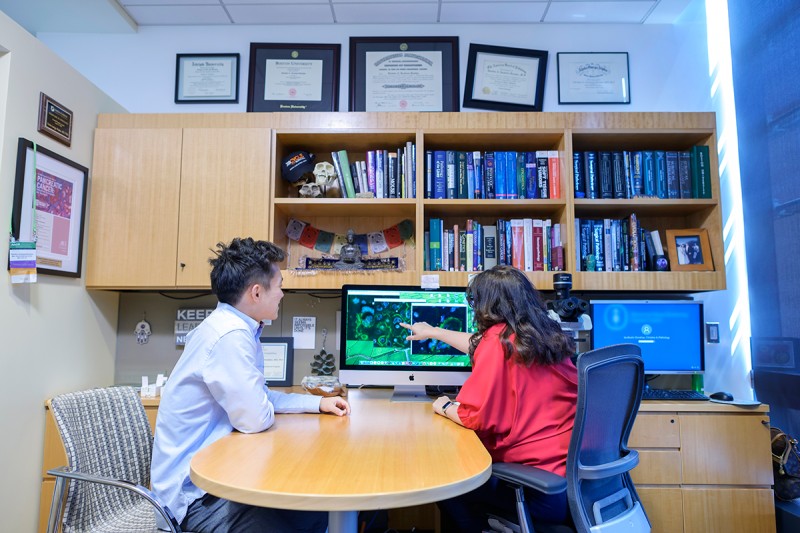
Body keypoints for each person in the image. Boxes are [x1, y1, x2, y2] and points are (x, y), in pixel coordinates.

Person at [151, 237, 350, 533]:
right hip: (193, 499)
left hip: (215, 479)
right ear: (257, 292)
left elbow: (260, 398)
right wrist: (267, 407)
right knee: (310, 507)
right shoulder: (230, 336)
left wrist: (317, 403)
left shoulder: (237, 327)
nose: (283, 293)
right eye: (279, 285)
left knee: (316, 510)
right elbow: (256, 418)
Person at [401, 265, 578, 532]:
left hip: (533, 489)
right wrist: (435, 331)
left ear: (487, 304)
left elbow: (475, 416)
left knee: (446, 482)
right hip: (567, 483)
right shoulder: (543, 334)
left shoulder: (498, 344)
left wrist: (444, 405)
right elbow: (479, 343)